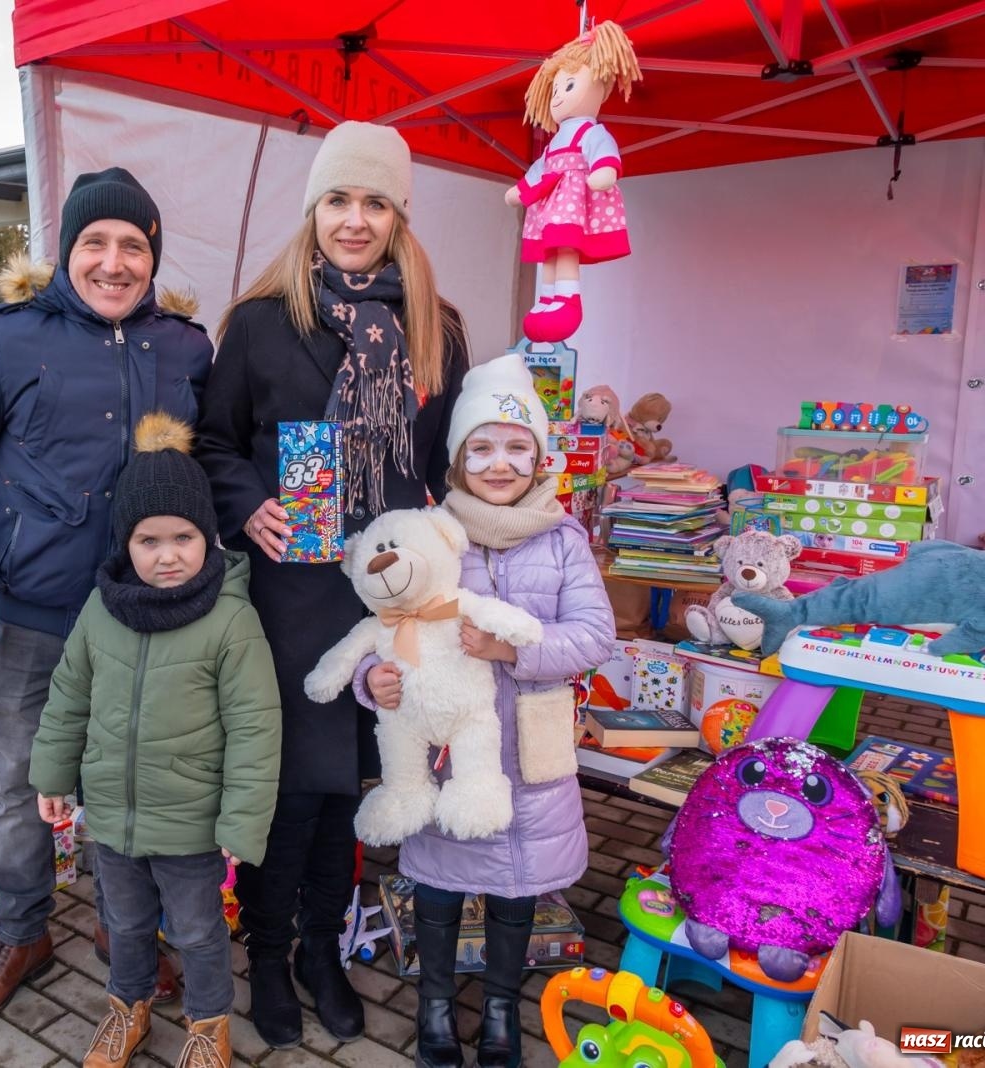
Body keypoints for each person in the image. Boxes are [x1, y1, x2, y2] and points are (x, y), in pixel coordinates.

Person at [0, 167, 213, 1028]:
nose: (114, 263)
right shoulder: (13, 340)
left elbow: (217, 465)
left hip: (147, 616)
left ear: (151, 256)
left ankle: (126, 932)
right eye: (95, 244)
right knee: (22, 783)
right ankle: (21, 932)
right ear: (67, 253)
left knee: (140, 783)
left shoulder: (185, 347)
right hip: (38, 614)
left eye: (133, 246)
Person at [193, 120, 468, 1049]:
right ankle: (267, 955)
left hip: (386, 598)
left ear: (398, 216)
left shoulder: (437, 330)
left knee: (356, 784)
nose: (355, 220)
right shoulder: (263, 322)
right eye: (339, 201)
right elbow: (217, 442)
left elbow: (444, 471)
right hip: (293, 593)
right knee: (290, 788)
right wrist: (248, 505)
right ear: (314, 211)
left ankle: (325, 950)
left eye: (375, 202)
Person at [354, 353, 615, 1068]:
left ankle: (501, 1008)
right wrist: (372, 679)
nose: (499, 464)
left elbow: (595, 637)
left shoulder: (563, 542)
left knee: (516, 891)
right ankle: (435, 1005)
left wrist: (511, 651)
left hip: (528, 755)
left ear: (538, 458)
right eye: (482, 448)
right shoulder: (432, 534)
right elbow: (385, 624)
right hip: (443, 749)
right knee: (436, 884)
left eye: (515, 447)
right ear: (459, 458)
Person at [30, 412, 281, 1068]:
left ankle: (207, 1025)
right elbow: (68, 698)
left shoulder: (230, 620)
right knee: (126, 923)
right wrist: (52, 778)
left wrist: (242, 819)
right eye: (148, 540)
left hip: (192, 825)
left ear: (208, 538)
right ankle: (128, 1008)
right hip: (113, 816)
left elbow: (257, 727)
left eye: (183, 537)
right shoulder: (102, 609)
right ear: (125, 543)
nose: (166, 555)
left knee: (199, 932)